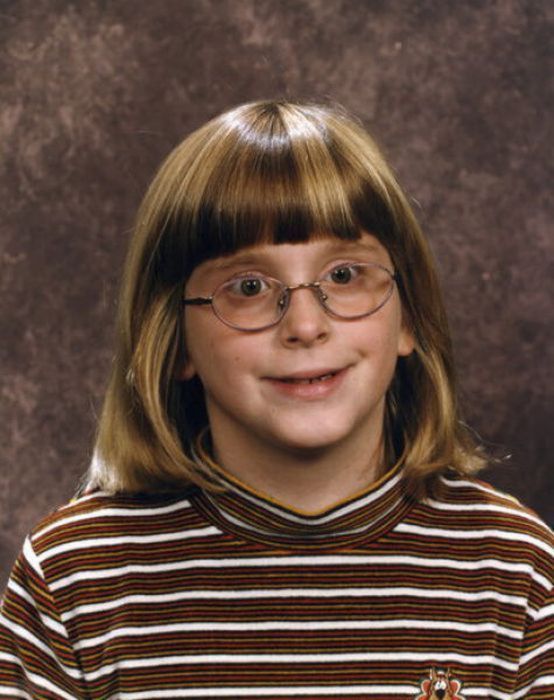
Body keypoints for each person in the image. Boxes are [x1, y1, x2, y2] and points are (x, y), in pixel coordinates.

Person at [0, 100, 552, 700]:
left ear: (409, 316)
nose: (306, 326)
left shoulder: (514, 573)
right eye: (248, 286)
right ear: (175, 339)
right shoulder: (76, 579)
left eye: (344, 275)